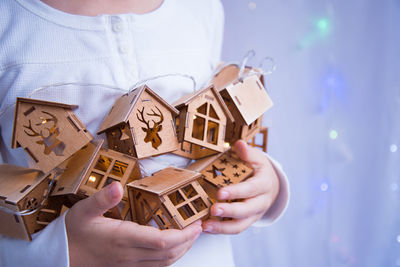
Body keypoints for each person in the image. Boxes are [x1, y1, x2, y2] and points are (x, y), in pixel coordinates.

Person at [0, 0, 289, 266]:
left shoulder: (200, 7)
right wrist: (63, 252)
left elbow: (222, 130)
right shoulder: (9, 24)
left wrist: (267, 183)